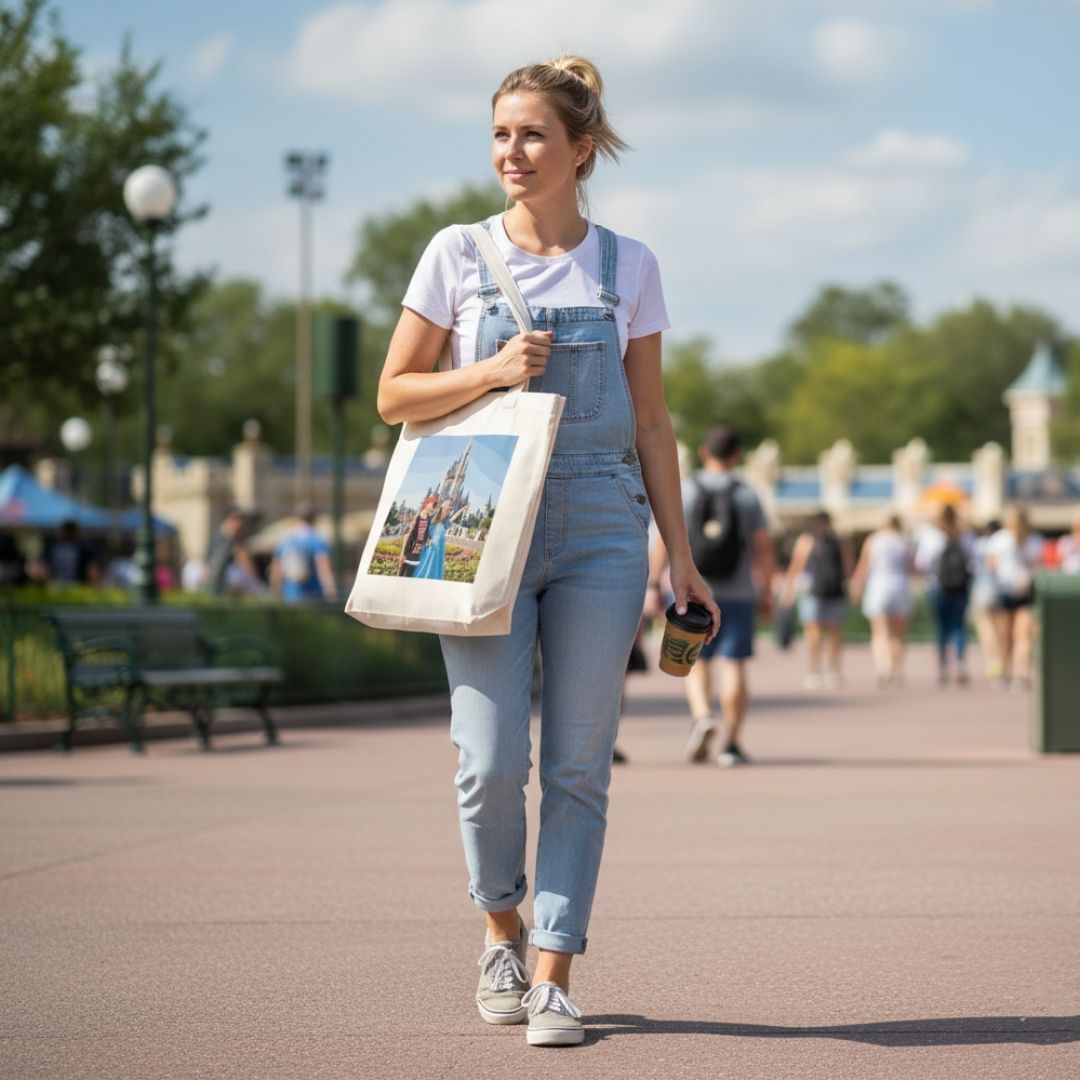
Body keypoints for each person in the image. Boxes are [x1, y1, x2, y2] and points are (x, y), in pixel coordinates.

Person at [375, 54, 719, 1048]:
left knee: (577, 763)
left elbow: (651, 422)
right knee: (488, 762)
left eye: (531, 134)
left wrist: (679, 555)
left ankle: (556, 973)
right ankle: (502, 929)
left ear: (581, 148)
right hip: (480, 515)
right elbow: (395, 395)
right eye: (500, 134)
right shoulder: (456, 252)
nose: (511, 153)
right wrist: (488, 370)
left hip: (604, 523)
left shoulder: (630, 266)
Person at [649, 426, 775, 766]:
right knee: (734, 664)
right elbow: (763, 546)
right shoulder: (747, 494)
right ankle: (732, 743)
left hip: (691, 591)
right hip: (738, 590)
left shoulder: (686, 490)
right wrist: (767, 590)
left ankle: (703, 715)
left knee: (696, 660)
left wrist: (654, 583)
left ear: (705, 452)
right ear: (736, 455)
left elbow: (662, 540)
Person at [781, 511, 851, 690]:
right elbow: (797, 566)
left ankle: (827, 671)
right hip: (818, 592)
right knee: (819, 634)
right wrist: (789, 590)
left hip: (828, 591)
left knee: (828, 635)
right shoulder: (812, 541)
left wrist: (789, 590)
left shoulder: (834, 541)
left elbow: (846, 566)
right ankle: (819, 671)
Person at [914, 505, 975, 685]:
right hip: (960, 588)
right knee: (959, 626)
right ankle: (960, 664)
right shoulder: (965, 536)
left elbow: (921, 563)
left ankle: (942, 668)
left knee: (941, 628)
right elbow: (974, 562)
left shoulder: (931, 537)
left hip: (937, 586)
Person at [851, 515, 913, 686]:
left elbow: (863, 566)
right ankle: (898, 670)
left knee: (879, 633)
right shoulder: (903, 541)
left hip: (878, 588)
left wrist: (856, 585)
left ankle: (883, 668)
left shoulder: (873, 540)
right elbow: (912, 567)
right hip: (900, 587)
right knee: (898, 635)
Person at [985, 505, 1043, 691]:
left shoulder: (999, 539)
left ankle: (1009, 673)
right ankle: (1018, 674)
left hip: (1007, 590)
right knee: (1019, 637)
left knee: (1010, 637)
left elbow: (991, 566)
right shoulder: (1032, 540)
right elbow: (1037, 567)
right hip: (1020, 591)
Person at [270, 504, 336, 601]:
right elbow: (324, 568)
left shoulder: (286, 540)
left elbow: (276, 569)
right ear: (314, 519)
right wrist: (331, 592)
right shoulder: (317, 540)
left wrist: (275, 593)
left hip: (289, 594)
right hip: (313, 595)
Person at [970, 519, 1003, 679]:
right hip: (1001, 587)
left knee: (985, 625)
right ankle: (1000, 659)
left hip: (984, 586)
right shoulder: (1004, 541)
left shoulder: (981, 544)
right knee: (999, 626)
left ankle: (992, 660)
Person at [205, 506, 261, 595]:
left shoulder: (226, 540)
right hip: (220, 589)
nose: (240, 524)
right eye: (237, 519)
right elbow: (246, 563)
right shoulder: (225, 541)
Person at [414, 499, 470, 580]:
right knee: (426, 565)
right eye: (448, 508)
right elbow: (424, 532)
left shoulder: (445, 523)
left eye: (449, 509)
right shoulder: (433, 520)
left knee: (435, 567)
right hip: (430, 548)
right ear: (442, 508)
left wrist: (462, 509)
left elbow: (454, 517)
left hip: (439, 549)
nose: (449, 510)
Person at [45, 520, 100, 585]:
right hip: (55, 584)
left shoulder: (83, 548)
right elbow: (45, 565)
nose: (67, 534)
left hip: (77, 584)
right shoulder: (53, 548)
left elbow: (92, 567)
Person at [398, 496, 438, 577]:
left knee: (408, 578)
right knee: (400, 576)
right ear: (426, 504)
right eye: (432, 506)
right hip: (408, 552)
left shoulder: (428, 520)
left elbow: (426, 539)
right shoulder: (418, 518)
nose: (433, 509)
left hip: (417, 555)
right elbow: (407, 535)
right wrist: (402, 554)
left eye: (434, 507)